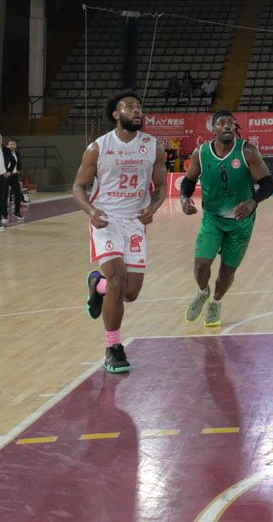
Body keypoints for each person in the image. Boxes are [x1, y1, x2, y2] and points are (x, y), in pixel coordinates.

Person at [75, 92, 162, 374]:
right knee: (117, 279)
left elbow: (161, 187)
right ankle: (113, 347)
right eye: (130, 107)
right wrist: (91, 211)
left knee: (130, 293)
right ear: (116, 114)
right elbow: (78, 187)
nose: (137, 111)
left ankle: (95, 285)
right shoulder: (98, 148)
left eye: (139, 107)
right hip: (107, 219)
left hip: (135, 221)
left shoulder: (152, 146)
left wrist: (155, 206)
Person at [179, 110, 273, 329]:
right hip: (212, 219)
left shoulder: (247, 151)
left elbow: (268, 184)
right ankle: (203, 292)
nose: (228, 126)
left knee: (227, 271)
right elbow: (189, 181)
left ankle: (216, 302)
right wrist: (184, 198)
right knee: (201, 265)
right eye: (222, 123)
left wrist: (253, 201)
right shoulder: (200, 153)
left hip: (241, 223)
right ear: (213, 129)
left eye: (231, 123)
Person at [5, 139, 27, 221]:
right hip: (5, 176)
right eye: (10, 144)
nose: (12, 146)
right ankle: (4, 214)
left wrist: (18, 170)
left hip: (14, 176)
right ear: (7, 146)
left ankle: (17, 212)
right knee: (4, 195)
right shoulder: (3, 154)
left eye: (13, 144)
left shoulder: (17, 154)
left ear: (15, 146)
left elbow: (19, 163)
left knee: (18, 194)